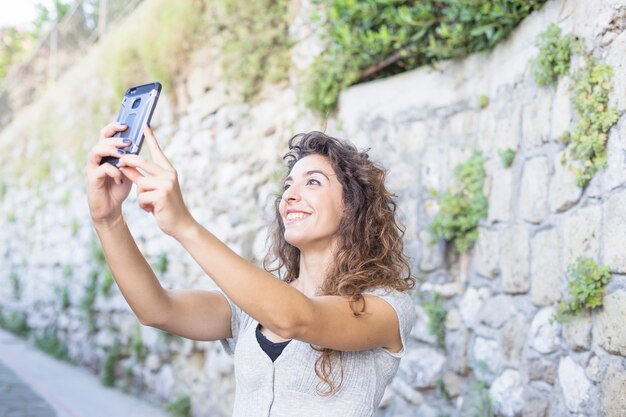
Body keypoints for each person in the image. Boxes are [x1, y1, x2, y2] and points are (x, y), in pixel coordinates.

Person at [85, 123, 417, 416]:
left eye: (312, 182)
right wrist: (108, 219)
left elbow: (296, 319)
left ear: (352, 206)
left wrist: (185, 226)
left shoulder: (386, 307)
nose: (290, 196)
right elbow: (156, 310)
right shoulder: (252, 305)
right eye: (287, 186)